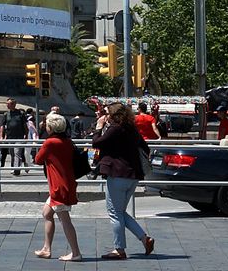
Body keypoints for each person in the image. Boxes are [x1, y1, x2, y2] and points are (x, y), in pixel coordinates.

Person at [92, 101, 154, 261]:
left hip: (117, 174)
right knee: (120, 212)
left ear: (114, 115)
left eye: (107, 113)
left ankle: (119, 249)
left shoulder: (115, 129)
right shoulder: (131, 129)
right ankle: (144, 238)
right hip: (132, 175)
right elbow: (145, 148)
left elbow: (96, 143)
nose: (104, 116)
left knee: (114, 213)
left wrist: (98, 127)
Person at [33, 112, 82, 262]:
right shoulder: (67, 141)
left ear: (51, 127)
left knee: (65, 220)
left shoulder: (50, 143)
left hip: (58, 187)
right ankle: (46, 249)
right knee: (47, 213)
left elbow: (38, 159)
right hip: (65, 184)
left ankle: (75, 253)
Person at [0, 99, 28, 174]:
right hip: (10, 137)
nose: (7, 105)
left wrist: (26, 135)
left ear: (14, 104)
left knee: (17, 153)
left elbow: (25, 125)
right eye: (7, 104)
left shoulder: (21, 113)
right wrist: (1, 137)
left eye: (9, 104)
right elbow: (2, 126)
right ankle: (13, 167)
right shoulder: (6, 114)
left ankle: (17, 169)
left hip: (19, 136)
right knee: (12, 153)